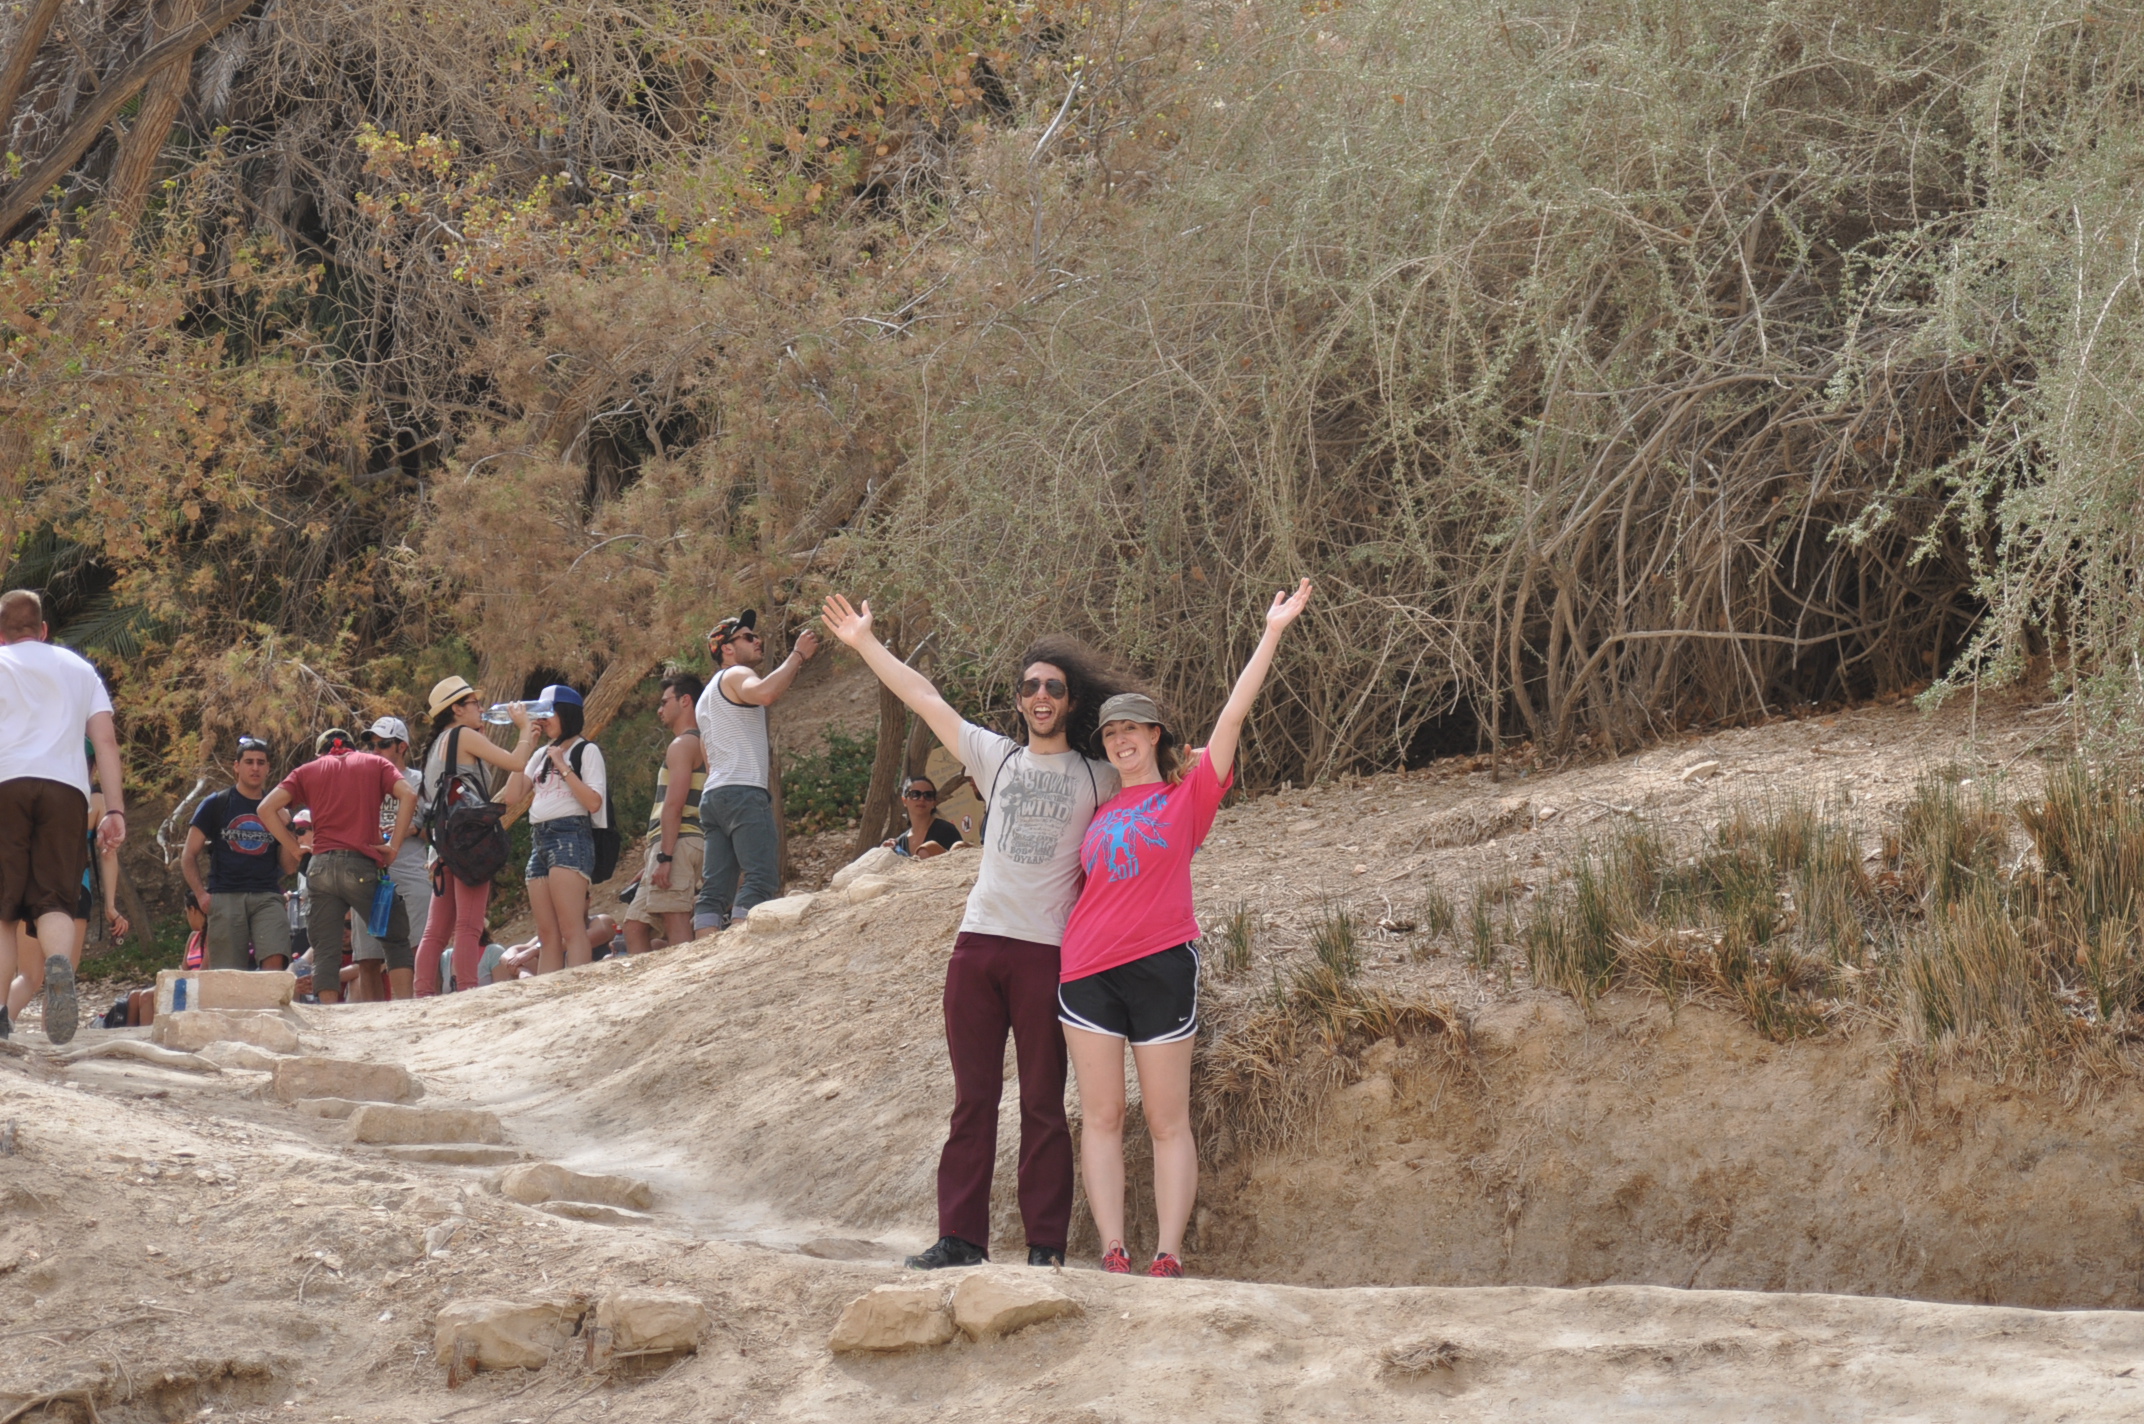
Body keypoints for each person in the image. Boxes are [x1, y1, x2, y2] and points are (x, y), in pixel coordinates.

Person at [822, 591, 1128, 1270]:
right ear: (1018, 700)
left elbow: (1157, 781)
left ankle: (1045, 1246)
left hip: (1048, 955)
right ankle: (960, 1239)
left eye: (1054, 687)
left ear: (1072, 701)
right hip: (979, 946)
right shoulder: (997, 759)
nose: (1041, 696)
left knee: (1044, 1104)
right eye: (1031, 687)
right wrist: (865, 643)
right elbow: (924, 697)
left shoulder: (1098, 777)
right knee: (974, 1101)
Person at [1060, 580, 1313, 1278]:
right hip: (1085, 970)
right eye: (1111, 734)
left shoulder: (1187, 797)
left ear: (1155, 736)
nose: (1120, 741)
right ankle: (1113, 1251)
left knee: (1166, 1119)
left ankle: (1168, 1255)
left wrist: (1271, 633)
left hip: (1161, 963)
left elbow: (1233, 716)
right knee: (1103, 1116)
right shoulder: (1097, 808)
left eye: (1131, 730)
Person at [0, 589, 126, 1046]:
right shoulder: (79, 669)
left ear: (1, 633)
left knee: (3, 910)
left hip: (5, 783)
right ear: (43, 629)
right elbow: (105, 742)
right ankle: (58, 964)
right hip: (66, 790)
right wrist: (115, 809)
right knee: (55, 899)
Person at [258, 728, 417, 1005]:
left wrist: (295, 849)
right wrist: (393, 846)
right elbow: (409, 795)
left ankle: (329, 1014)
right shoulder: (375, 763)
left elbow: (265, 808)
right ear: (354, 747)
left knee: (325, 950)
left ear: (321, 753)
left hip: (320, 866)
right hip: (360, 864)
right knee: (395, 940)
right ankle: (405, 1004)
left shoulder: (307, 771)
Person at [691, 610, 821, 933]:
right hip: (743, 791)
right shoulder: (736, 675)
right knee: (761, 877)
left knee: (715, 889)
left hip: (714, 796)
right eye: (748, 637)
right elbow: (765, 693)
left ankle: (705, 949)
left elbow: (708, 757)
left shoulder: (705, 697)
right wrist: (798, 655)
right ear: (727, 648)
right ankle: (743, 947)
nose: (757, 640)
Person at [412, 676, 540, 996]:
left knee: (435, 933)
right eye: (474, 703)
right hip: (469, 843)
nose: (481, 709)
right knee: (468, 925)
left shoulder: (439, 744)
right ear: (456, 709)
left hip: (444, 844)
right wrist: (524, 729)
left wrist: (525, 739)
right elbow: (516, 762)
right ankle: (468, 991)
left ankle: (422, 994)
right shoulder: (463, 735)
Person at [9, 748, 127, 1029]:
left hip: (27, 888)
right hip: (73, 891)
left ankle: (4, 1020)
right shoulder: (94, 800)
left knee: (28, 976)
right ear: (93, 765)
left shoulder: (32, 793)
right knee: (61, 977)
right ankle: (53, 1039)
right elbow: (108, 855)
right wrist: (110, 905)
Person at [500, 685, 606, 974]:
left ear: (567, 714)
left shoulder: (586, 750)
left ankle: (578, 986)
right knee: (547, 935)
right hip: (539, 839)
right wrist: (526, 744)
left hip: (570, 836)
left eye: (549, 713)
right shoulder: (539, 755)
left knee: (571, 928)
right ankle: (550, 991)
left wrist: (563, 765)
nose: (543, 719)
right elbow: (512, 796)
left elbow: (593, 802)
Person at [182, 736, 296, 972]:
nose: (255, 768)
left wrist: (288, 827)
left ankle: (268, 999)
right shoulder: (216, 803)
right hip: (226, 895)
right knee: (228, 973)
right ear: (236, 766)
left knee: (275, 960)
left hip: (267, 894)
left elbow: (289, 866)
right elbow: (188, 855)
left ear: (268, 768)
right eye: (249, 762)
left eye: (261, 763)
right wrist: (201, 895)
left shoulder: (275, 808)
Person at [622, 672, 707, 954]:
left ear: (685, 701)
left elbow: (674, 805)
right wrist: (655, 857)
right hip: (670, 843)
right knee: (634, 925)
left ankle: (686, 976)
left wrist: (666, 856)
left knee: (675, 917)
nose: (659, 710)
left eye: (664, 702)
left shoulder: (683, 745)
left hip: (679, 841)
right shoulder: (698, 742)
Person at [349, 717, 429, 1000]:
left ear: (401, 746)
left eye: (383, 744)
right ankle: (375, 1019)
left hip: (412, 873)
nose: (375, 750)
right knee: (368, 958)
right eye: (371, 745)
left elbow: (440, 830)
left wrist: (411, 829)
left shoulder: (420, 781)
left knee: (419, 950)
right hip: (369, 874)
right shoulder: (360, 782)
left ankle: (423, 1008)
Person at [882, 775, 962, 860]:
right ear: (904, 801)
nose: (922, 799)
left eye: (928, 795)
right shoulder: (899, 843)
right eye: (915, 794)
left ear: (934, 803)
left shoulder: (946, 831)